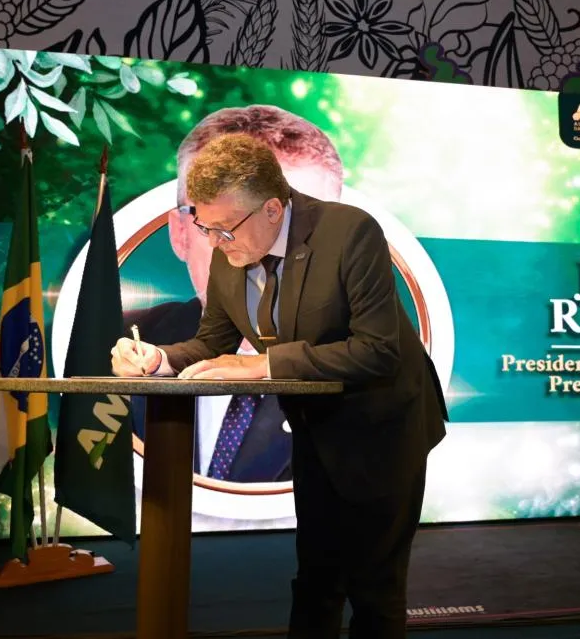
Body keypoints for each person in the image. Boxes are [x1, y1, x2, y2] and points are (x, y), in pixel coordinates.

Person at [111, 133, 448, 638]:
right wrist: (157, 359)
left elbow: (378, 350)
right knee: (316, 580)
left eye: (224, 229)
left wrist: (263, 366)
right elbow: (210, 342)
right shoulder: (231, 251)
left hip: (383, 428)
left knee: (374, 589)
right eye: (205, 228)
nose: (215, 243)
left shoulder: (350, 232)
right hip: (315, 427)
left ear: (272, 208)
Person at [124, 104, 345, 485]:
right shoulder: (116, 339)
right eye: (226, 223)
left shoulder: (367, 361)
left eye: (294, 226)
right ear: (180, 233)